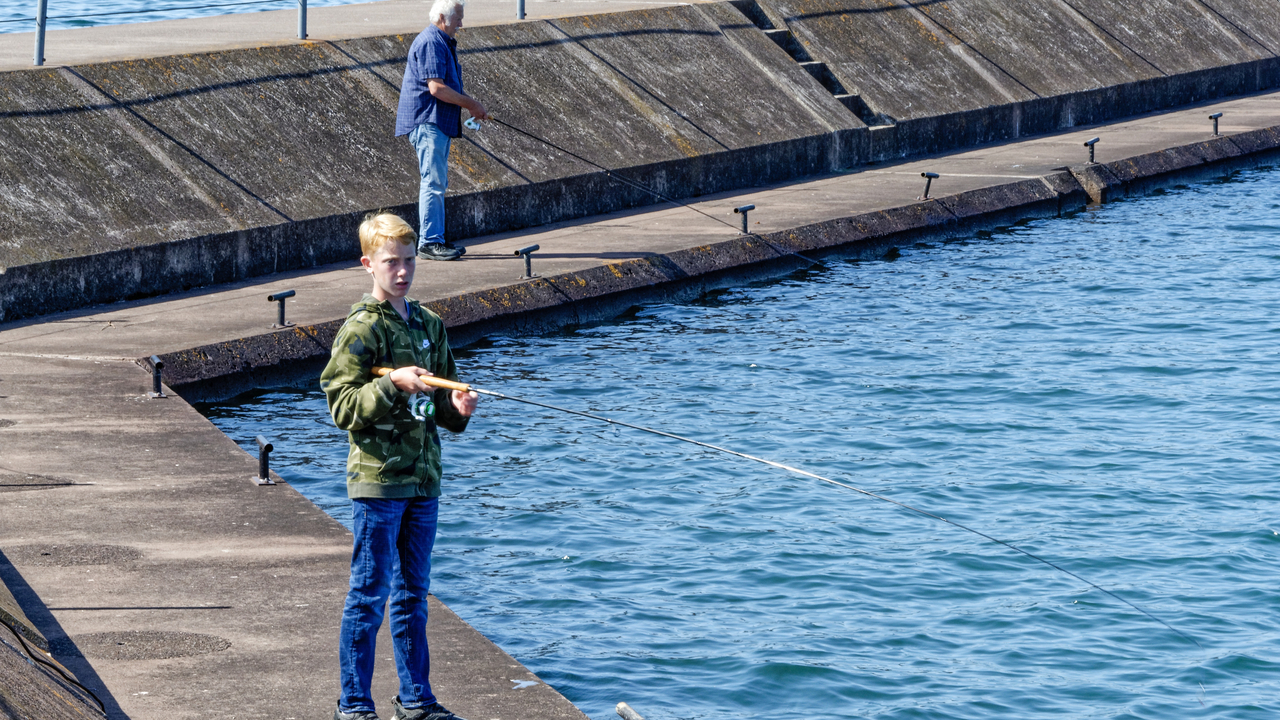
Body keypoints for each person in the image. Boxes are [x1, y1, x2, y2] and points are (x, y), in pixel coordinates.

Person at [321, 212, 479, 720]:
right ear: (368, 264)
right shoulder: (360, 329)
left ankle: (416, 702)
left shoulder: (430, 325)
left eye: (409, 260)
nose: (403, 271)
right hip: (378, 484)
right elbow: (343, 407)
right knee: (369, 596)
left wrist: (458, 409)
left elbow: (442, 408)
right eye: (392, 262)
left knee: (414, 595)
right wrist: (392, 383)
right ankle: (354, 706)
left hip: (424, 482)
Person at [396, 0, 489, 262]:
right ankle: (430, 242)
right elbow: (436, 88)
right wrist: (471, 104)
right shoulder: (431, 42)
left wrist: (470, 105)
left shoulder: (441, 41)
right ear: (442, 17)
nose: (461, 23)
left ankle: (436, 236)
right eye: (458, 18)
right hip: (428, 121)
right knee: (433, 182)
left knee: (438, 181)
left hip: (436, 122)